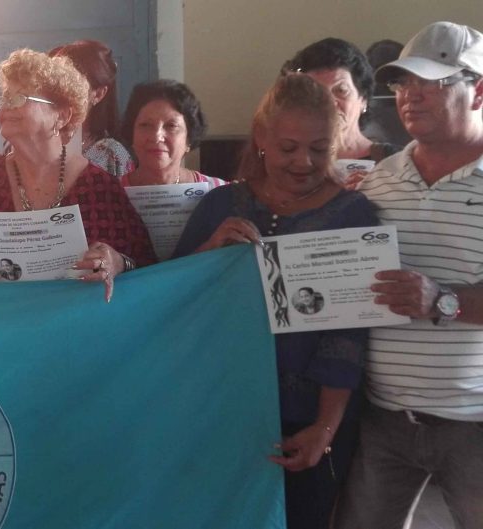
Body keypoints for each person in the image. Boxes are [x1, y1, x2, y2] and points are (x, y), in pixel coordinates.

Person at [173, 74, 378, 529]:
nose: (303, 162)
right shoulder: (220, 205)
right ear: (262, 136)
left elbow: (348, 333)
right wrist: (208, 252)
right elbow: (171, 299)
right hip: (222, 412)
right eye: (288, 148)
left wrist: (325, 428)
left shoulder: (352, 215)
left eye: (319, 148)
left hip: (309, 422)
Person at [334, 21, 483, 529]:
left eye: (432, 83)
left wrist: (442, 300)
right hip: (384, 418)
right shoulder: (379, 179)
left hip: (474, 421)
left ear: (478, 89)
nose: (410, 97)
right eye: (401, 84)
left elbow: (437, 298)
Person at [0, 49, 156, 299]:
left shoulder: (100, 187)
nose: (5, 108)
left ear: (62, 116)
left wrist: (118, 262)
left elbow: (146, 264)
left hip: (75, 325)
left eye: (20, 98)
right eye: (5, 99)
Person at [285, 38, 400, 187]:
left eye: (341, 91)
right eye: (317, 93)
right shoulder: (291, 165)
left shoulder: (397, 161)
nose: (329, 103)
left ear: (363, 99)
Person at [49, 40, 134, 178]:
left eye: (73, 85)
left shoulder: (112, 155)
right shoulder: (38, 139)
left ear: (99, 93)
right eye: (55, 83)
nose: (60, 91)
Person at [119, 80, 226, 188]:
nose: (157, 137)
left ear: (189, 139)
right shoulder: (108, 193)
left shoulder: (220, 193)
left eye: (171, 126)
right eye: (145, 125)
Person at [362, 39, 413, 149]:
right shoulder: (361, 108)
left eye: (394, 70)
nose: (387, 81)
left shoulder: (416, 103)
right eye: (379, 69)